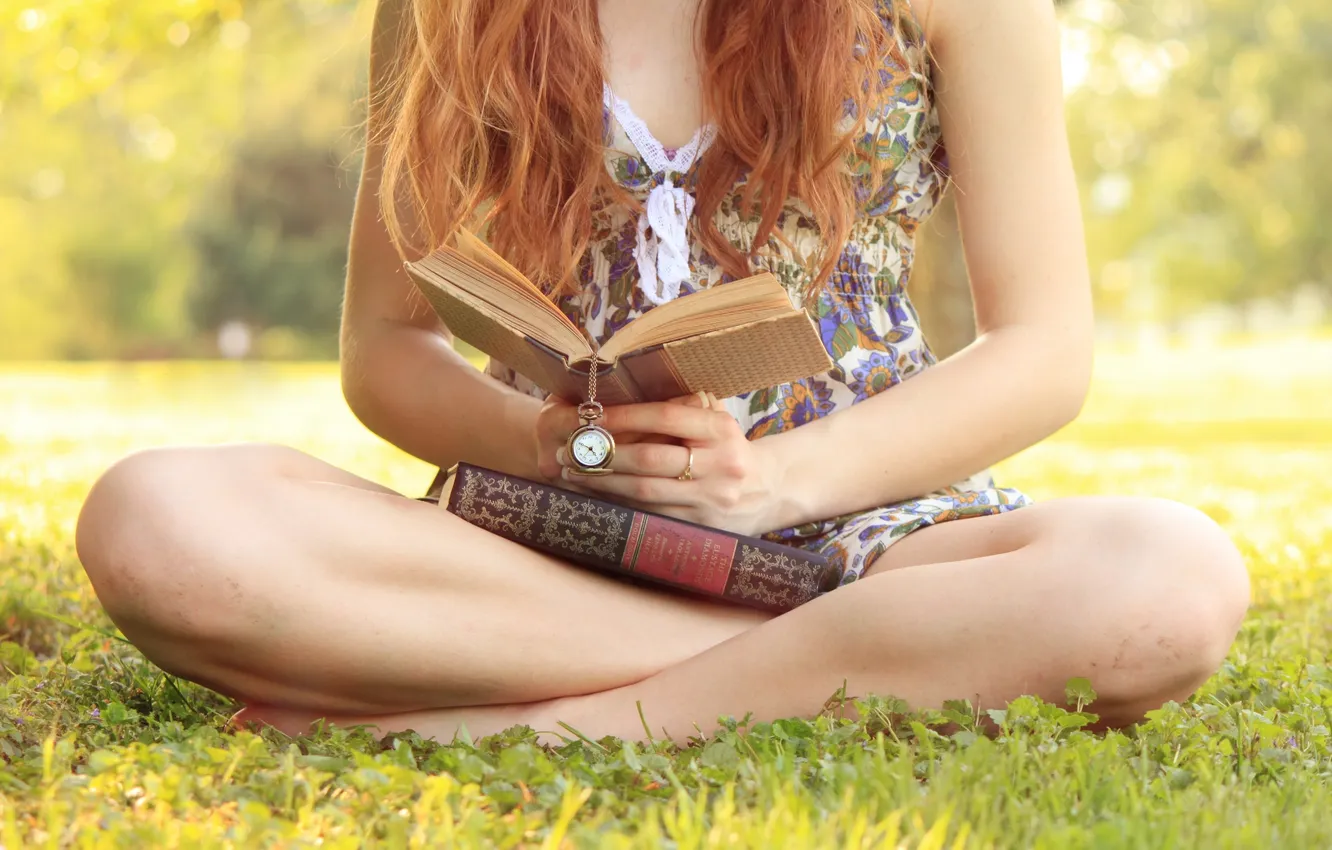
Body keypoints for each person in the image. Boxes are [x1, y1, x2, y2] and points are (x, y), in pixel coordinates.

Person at [74, 0, 1249, 743]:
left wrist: (774, 484)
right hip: (557, 534)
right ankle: (861, 655)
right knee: (156, 516)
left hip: (867, 531)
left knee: (1168, 576)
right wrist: (541, 443)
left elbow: (1046, 348)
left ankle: (523, 722)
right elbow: (385, 346)